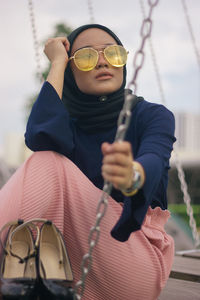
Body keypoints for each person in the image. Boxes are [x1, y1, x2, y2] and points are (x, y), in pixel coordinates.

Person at [0, 24, 176, 299]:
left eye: (114, 53)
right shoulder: (69, 128)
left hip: (135, 262)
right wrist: (58, 62)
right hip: (74, 263)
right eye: (85, 57)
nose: (103, 61)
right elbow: (39, 134)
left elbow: (155, 157)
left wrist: (134, 175)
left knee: (46, 161)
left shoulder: (152, 115)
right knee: (45, 156)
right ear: (71, 74)